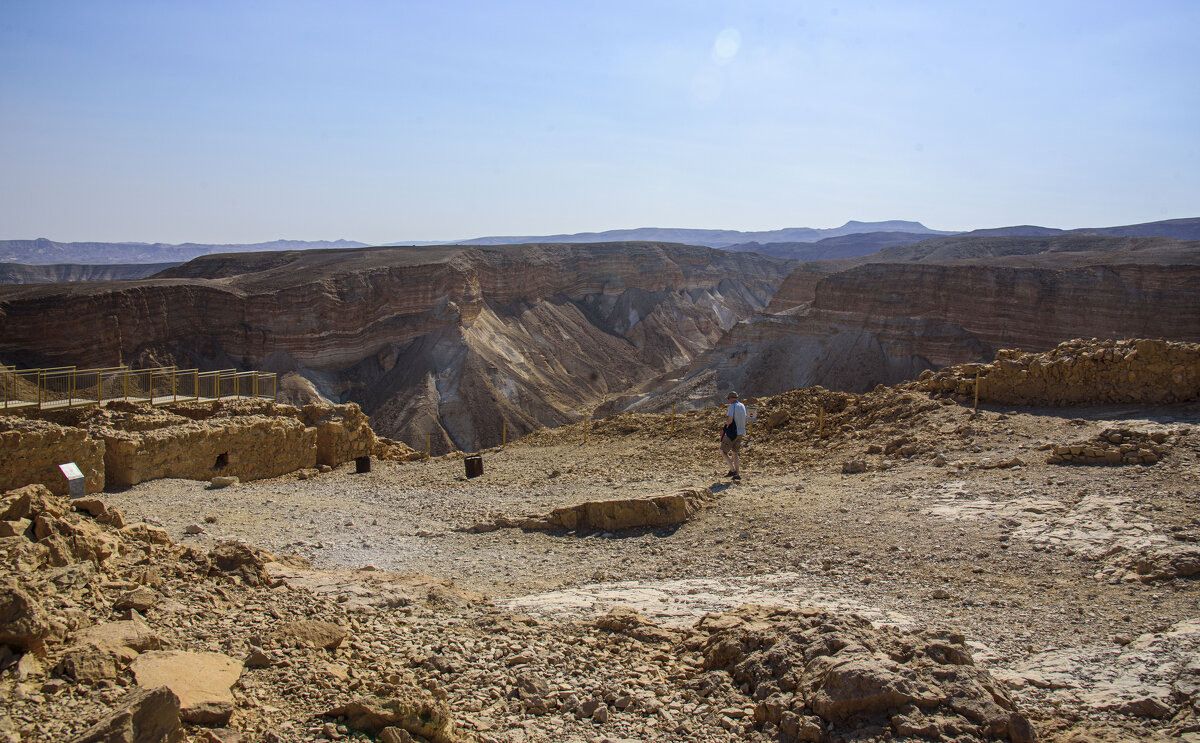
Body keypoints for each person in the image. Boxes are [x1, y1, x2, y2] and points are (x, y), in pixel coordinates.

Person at [721, 390, 747, 480]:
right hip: (741, 431)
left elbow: (730, 420)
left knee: (723, 451)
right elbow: (745, 420)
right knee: (735, 453)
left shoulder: (732, 406)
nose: (729, 401)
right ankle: (737, 474)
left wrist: (725, 423)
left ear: (731, 399)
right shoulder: (742, 405)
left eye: (729, 399)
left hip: (732, 432)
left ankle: (732, 470)